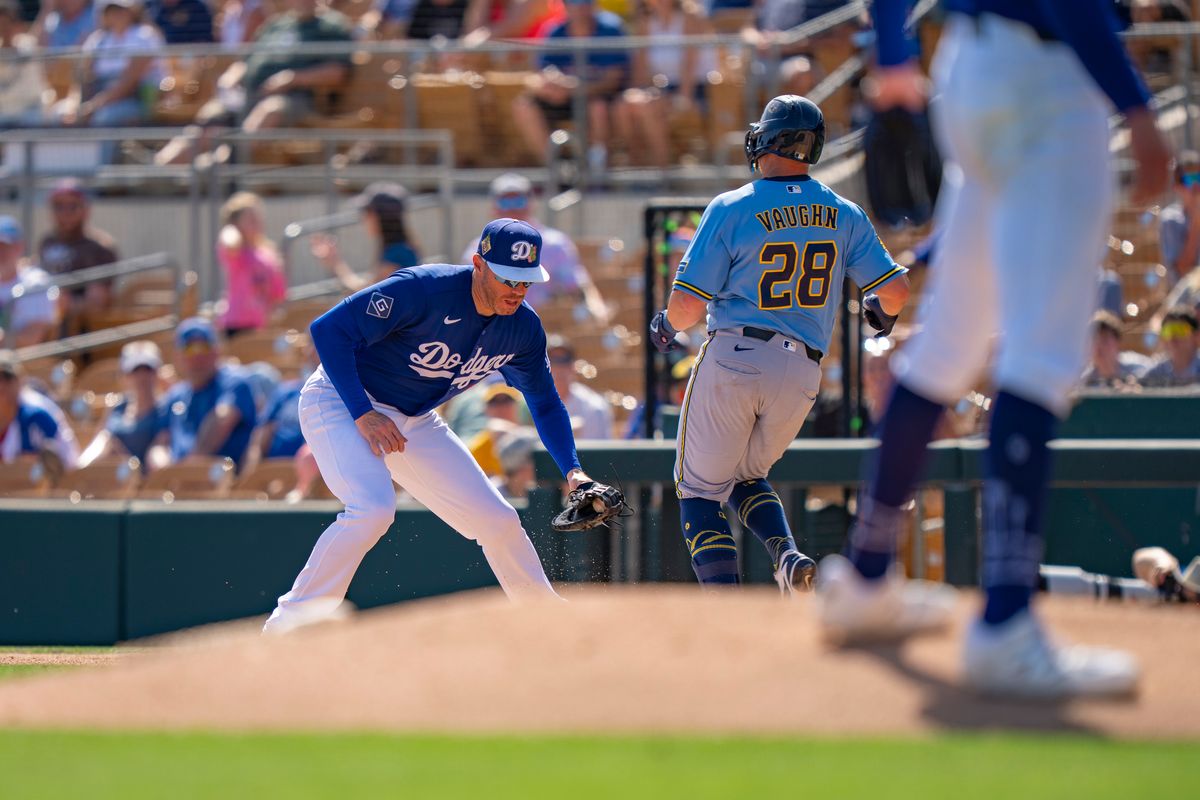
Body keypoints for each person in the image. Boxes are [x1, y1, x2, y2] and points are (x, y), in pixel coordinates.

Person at [817, 0, 1173, 698]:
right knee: (1038, 360)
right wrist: (1136, 107)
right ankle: (1005, 624)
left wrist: (893, 50)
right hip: (1049, 80)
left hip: (970, 71)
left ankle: (865, 577)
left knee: (948, 345)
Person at [264, 218, 601, 632]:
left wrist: (574, 471)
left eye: (525, 281)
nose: (516, 290)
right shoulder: (424, 289)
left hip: (413, 418)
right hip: (339, 398)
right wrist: (362, 413)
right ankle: (287, 625)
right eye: (507, 278)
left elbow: (546, 403)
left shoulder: (523, 329)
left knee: (498, 520)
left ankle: (545, 619)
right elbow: (329, 330)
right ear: (478, 264)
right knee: (372, 509)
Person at [648, 95, 911, 595]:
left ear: (769, 139)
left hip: (738, 354)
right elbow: (894, 292)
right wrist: (882, 315)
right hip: (803, 373)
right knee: (748, 476)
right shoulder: (844, 211)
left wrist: (664, 325)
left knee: (700, 493)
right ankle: (785, 555)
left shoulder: (733, 206)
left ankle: (725, 609)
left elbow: (684, 309)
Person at [154, 0, 353, 166]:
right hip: (249, 93)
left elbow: (337, 72)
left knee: (269, 110)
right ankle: (160, 170)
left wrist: (293, 78)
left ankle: (219, 166)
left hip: (296, 98)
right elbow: (247, 60)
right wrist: (232, 78)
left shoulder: (331, 25)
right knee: (212, 118)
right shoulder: (277, 24)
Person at [461, 173, 608, 321]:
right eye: (505, 202)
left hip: (544, 327)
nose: (512, 209)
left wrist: (596, 311)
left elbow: (578, 286)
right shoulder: (479, 248)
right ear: (493, 207)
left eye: (519, 201)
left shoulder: (554, 244)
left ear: (532, 203)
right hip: (494, 329)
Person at [511, 0, 630, 173]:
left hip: (598, 97)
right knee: (523, 106)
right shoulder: (555, 31)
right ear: (565, 6)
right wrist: (549, 86)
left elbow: (612, 80)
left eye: (585, 2)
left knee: (598, 108)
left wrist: (574, 87)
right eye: (574, 2)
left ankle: (597, 172)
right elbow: (537, 75)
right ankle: (556, 170)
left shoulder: (611, 29)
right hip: (562, 98)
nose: (580, 7)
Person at [146, 317, 259, 470]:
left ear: (217, 351)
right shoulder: (176, 395)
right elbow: (160, 444)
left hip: (222, 480)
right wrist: (164, 469)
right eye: (189, 348)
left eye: (203, 347)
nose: (197, 356)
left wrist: (186, 471)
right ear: (177, 356)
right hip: (178, 481)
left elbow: (222, 419)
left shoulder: (234, 382)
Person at [60, 0, 165, 162]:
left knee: (104, 118)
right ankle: (65, 176)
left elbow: (129, 83)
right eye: (110, 11)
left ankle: (99, 179)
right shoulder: (98, 40)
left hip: (135, 101)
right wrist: (74, 106)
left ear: (132, 11)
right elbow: (83, 78)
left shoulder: (144, 36)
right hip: (100, 100)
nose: (116, 15)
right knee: (60, 114)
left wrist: (92, 107)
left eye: (120, 10)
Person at [614, 0, 715, 168]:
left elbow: (690, 64)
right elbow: (641, 68)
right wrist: (639, 91)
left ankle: (661, 171)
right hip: (660, 90)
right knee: (624, 106)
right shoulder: (645, 22)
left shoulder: (690, 16)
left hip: (694, 89)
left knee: (649, 107)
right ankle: (636, 167)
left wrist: (684, 96)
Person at [37, 179, 120, 337]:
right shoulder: (47, 242)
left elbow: (97, 303)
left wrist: (62, 304)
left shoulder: (100, 247)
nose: (65, 213)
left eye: (72, 206)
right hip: (41, 321)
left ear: (86, 209)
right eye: (59, 206)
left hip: (80, 332)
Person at [311, 183, 421, 293]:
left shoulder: (398, 252)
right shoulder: (399, 248)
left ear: (380, 218)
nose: (364, 219)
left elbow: (367, 292)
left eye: (367, 213)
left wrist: (336, 263)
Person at [77, 340, 165, 468]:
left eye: (147, 369)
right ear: (125, 376)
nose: (142, 376)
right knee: (104, 440)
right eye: (135, 370)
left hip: (148, 477)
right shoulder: (118, 407)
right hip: (115, 475)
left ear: (157, 372)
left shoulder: (166, 409)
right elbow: (100, 441)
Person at [217, 192, 287, 337]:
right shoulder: (236, 250)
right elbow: (228, 240)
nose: (258, 222)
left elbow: (278, 294)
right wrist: (232, 227)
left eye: (258, 217)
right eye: (251, 219)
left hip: (262, 326)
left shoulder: (268, 253)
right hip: (236, 325)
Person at [0, 351, 79, 471]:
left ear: (20, 379)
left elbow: (60, 463)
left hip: (56, 483)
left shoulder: (37, 413)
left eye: (7, 377)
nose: (2, 385)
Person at [0, 216, 57, 349]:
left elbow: (31, 339)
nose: (0, 253)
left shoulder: (36, 283)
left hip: (21, 364)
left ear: (20, 247)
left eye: (5, 247)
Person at [547, 334, 612, 438]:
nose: (559, 367)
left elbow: (598, 452)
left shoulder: (594, 407)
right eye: (552, 360)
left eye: (564, 360)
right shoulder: (528, 402)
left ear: (573, 366)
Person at [0, 0, 48, 128]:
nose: (4, 29)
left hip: (30, 110)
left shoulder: (29, 45)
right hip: (4, 114)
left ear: (17, 25)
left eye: (7, 24)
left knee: (32, 125)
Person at [1158, 151, 1200, 284]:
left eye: (1198, 178)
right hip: (1189, 297)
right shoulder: (1170, 220)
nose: (1195, 186)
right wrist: (1196, 222)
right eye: (1188, 180)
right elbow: (1183, 271)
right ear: (1177, 187)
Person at [1080, 310, 1148, 389]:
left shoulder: (1138, 371)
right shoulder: (1081, 381)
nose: (1099, 346)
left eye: (1105, 339)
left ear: (1118, 342)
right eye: (1094, 340)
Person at [1140, 306, 1200, 388]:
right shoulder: (1156, 373)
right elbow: (1139, 390)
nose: (1173, 337)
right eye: (1168, 331)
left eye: (1180, 330)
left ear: (1196, 335)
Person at [147, 0, 214, 43]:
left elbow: (203, 41)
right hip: (159, 59)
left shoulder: (197, 7)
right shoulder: (149, 7)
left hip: (190, 58)